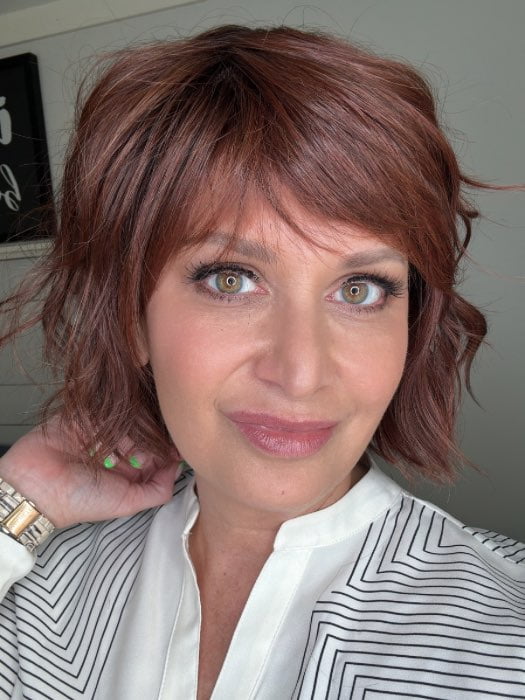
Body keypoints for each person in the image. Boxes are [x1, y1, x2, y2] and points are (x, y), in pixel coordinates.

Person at [0, 24, 524, 700]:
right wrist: (21, 499)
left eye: (360, 290)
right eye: (232, 279)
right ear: (133, 318)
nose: (301, 372)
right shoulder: (38, 586)